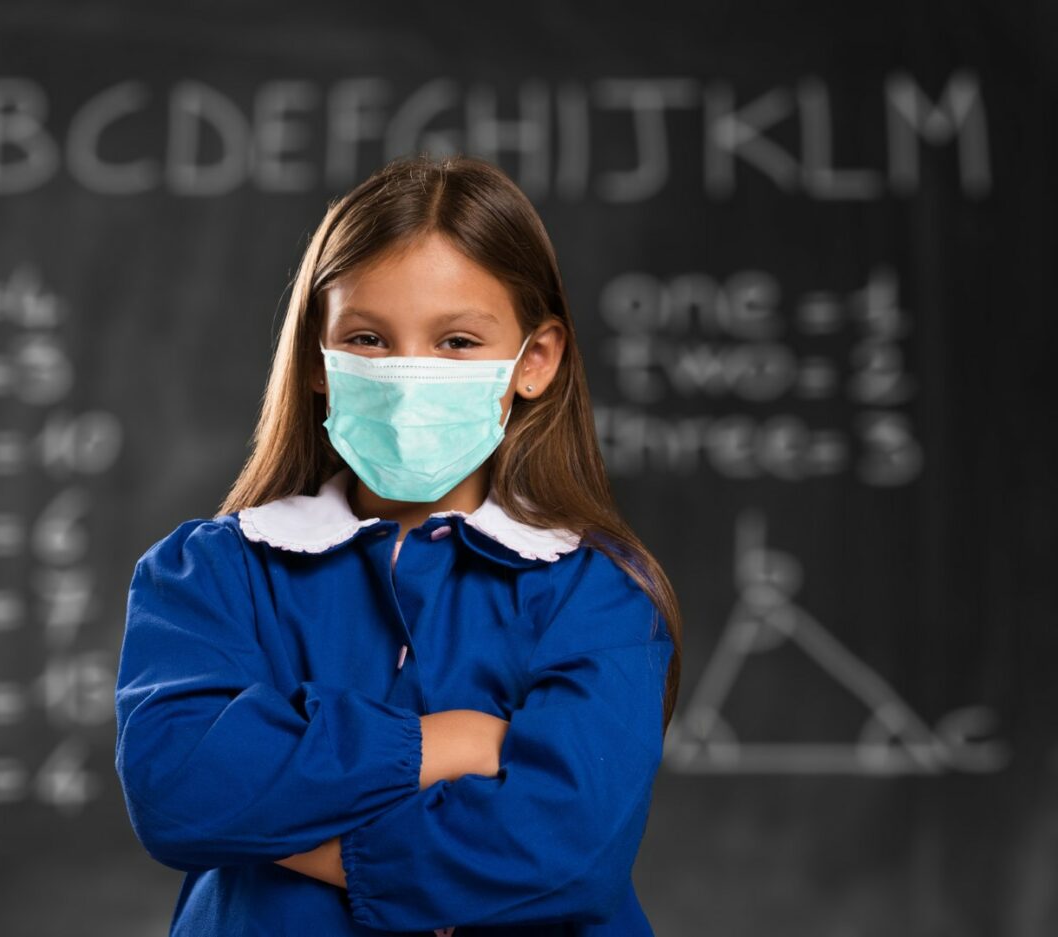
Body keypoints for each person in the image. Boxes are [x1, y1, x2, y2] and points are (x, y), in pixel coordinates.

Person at [114, 153, 684, 936]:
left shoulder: (599, 590)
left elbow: (567, 851)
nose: (410, 373)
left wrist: (291, 827)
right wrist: (450, 741)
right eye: (370, 338)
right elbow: (177, 788)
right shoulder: (210, 572)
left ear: (535, 362)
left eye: (455, 341)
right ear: (319, 356)